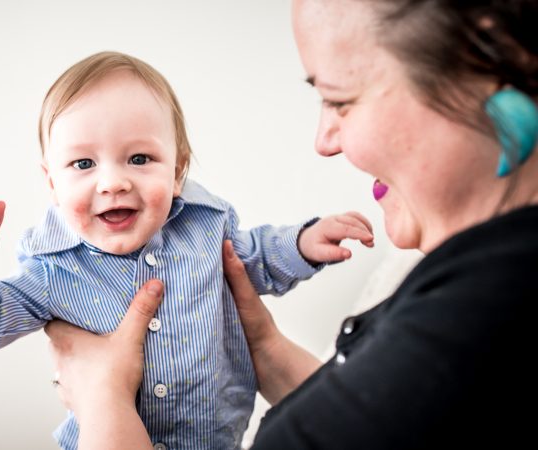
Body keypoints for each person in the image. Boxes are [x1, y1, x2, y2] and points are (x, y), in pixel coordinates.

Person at [44, 0, 538, 448]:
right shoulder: (461, 282)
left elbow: (262, 250)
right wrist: (266, 348)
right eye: (82, 164)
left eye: (340, 99)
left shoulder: (481, 315)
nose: (324, 140)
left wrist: (101, 397)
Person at [0, 51, 374, 449]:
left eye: (139, 159)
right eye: (83, 164)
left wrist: (303, 242)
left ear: (177, 171)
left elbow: (255, 256)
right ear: (52, 184)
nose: (113, 182)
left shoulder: (205, 228)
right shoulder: (51, 268)